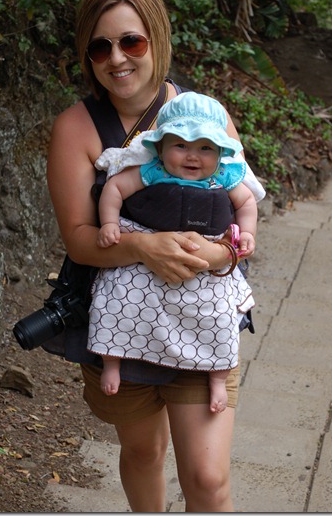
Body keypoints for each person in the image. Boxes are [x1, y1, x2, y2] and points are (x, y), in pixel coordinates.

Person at [47, 0, 260, 513]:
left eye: (131, 41)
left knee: (207, 479)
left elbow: (242, 214)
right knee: (144, 452)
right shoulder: (77, 128)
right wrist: (146, 247)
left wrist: (220, 255)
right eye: (101, 47)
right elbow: (80, 241)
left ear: (157, 40)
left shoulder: (207, 116)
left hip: (199, 319)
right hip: (125, 321)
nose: (117, 58)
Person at [91, 92, 257, 413]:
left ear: (220, 152)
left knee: (220, 315)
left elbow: (247, 202)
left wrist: (247, 232)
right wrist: (109, 223)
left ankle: (217, 377)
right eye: (180, 145)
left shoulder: (224, 176)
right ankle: (112, 361)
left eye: (205, 148)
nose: (193, 156)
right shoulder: (153, 171)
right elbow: (115, 188)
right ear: (161, 147)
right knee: (116, 296)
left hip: (206, 264)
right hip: (146, 258)